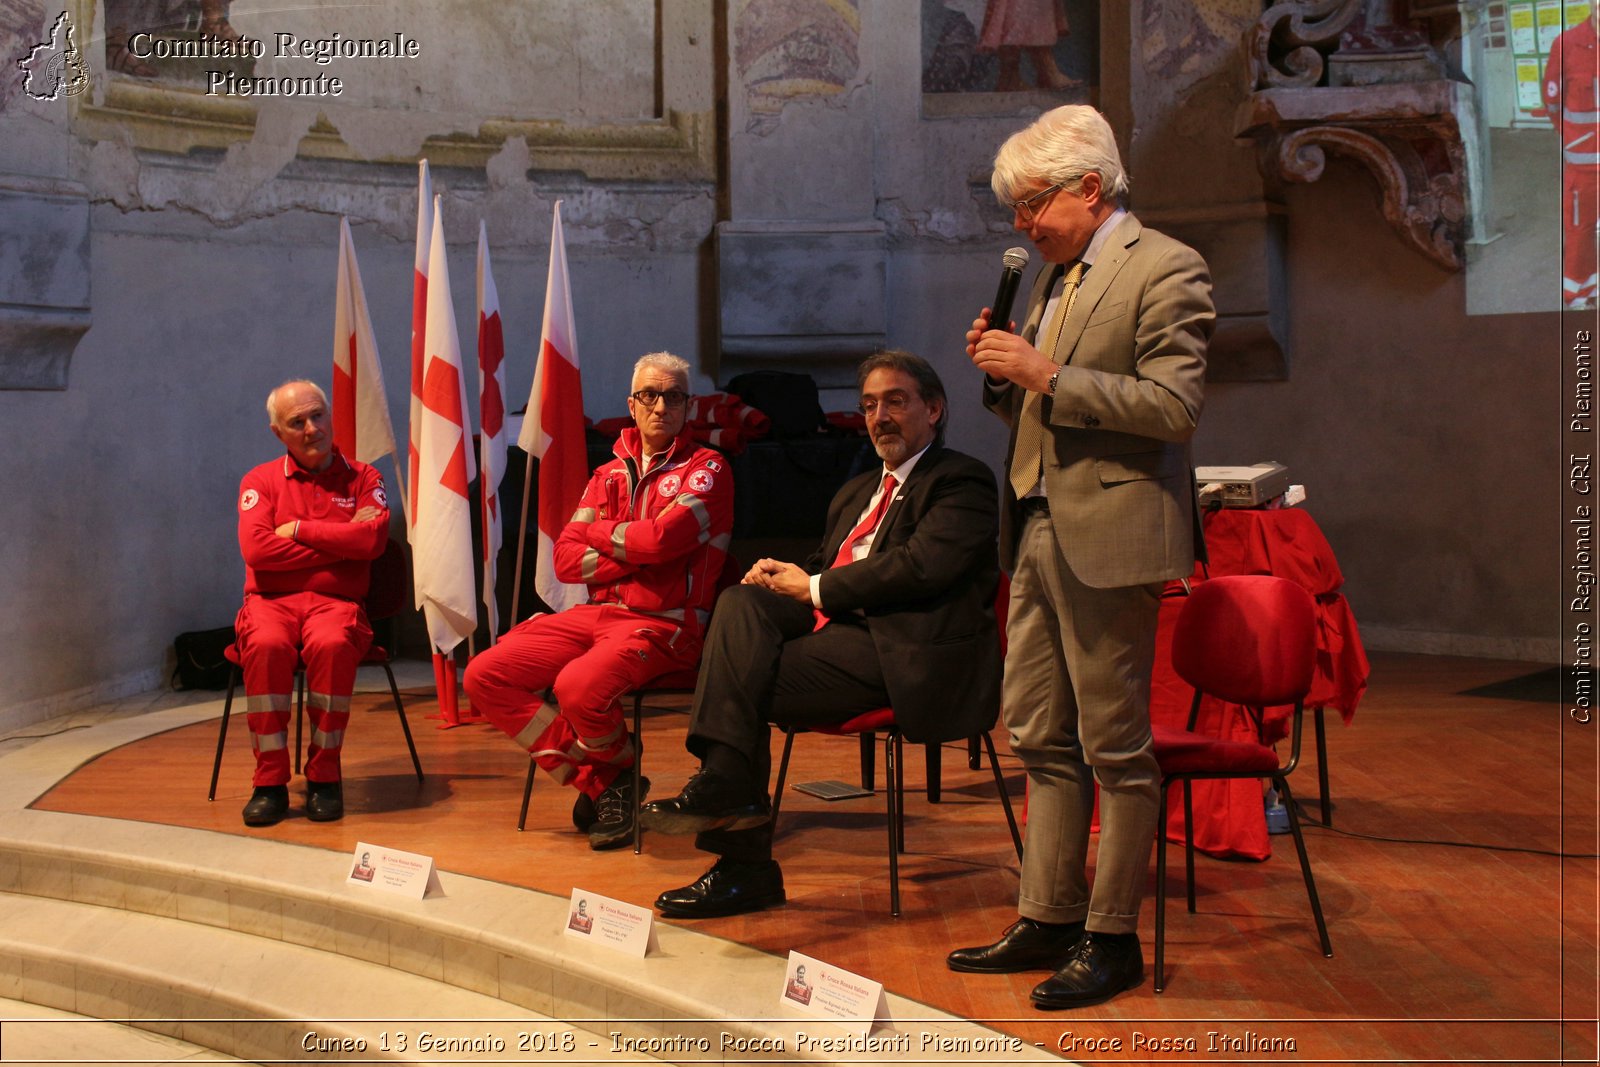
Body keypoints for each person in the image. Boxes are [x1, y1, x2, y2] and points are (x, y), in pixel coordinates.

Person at [953, 104, 1212, 1010]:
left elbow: (1173, 409)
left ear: (1089, 188)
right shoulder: (1055, 281)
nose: (1021, 225)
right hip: (1031, 526)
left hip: (1108, 535)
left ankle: (1113, 937)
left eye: (1031, 205)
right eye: (1016, 210)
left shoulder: (1166, 267)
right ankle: (1048, 913)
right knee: (1037, 734)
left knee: (1115, 746)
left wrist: (1044, 374)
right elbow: (1038, 406)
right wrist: (1005, 379)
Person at [640, 350, 1001, 918]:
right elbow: (822, 566)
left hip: (903, 650)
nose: (879, 416)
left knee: (742, 681)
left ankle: (741, 853)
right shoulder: (855, 491)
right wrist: (782, 579)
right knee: (742, 599)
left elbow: (919, 567)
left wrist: (810, 587)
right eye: (869, 405)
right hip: (835, 636)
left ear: (934, 409)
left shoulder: (961, 481)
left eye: (895, 401)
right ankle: (729, 801)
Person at [463, 353, 733, 850]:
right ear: (632, 404)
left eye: (673, 396)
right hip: (594, 615)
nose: (660, 406)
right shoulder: (607, 473)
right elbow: (568, 559)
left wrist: (600, 533)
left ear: (688, 406)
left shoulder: (708, 469)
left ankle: (609, 782)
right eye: (649, 395)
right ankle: (611, 781)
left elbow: (660, 541)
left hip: (665, 622)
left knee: (577, 685)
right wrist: (641, 552)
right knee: (484, 674)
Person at [235, 380, 390, 827]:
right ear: (277, 432)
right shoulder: (259, 480)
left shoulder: (365, 478)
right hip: (269, 603)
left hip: (336, 605)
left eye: (317, 415)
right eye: (296, 422)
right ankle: (269, 782)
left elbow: (374, 539)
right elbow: (258, 553)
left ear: (330, 414)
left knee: (333, 644)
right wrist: (345, 543)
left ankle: (325, 776)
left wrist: (299, 529)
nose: (311, 428)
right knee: (264, 646)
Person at [1544, 7, 1600, 309]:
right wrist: (1571, 138)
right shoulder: (1565, 44)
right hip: (1584, 163)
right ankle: (1580, 294)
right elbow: (1552, 100)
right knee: (1581, 231)